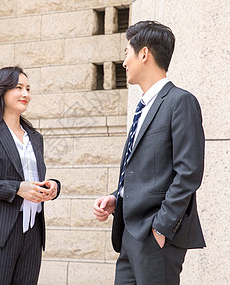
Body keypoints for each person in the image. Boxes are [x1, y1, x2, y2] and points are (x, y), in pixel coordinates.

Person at [93, 21, 206, 284]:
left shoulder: (180, 102)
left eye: (126, 53)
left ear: (143, 54)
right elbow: (145, 170)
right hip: (128, 234)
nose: (124, 63)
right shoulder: (142, 108)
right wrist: (116, 198)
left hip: (157, 238)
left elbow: (189, 173)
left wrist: (161, 227)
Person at [0, 66, 61, 285]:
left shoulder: (35, 137)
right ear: (1, 91)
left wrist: (52, 186)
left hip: (32, 232)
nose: (26, 94)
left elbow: (32, 178)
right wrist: (16, 188)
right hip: (0, 232)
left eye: (28, 88)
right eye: (19, 87)